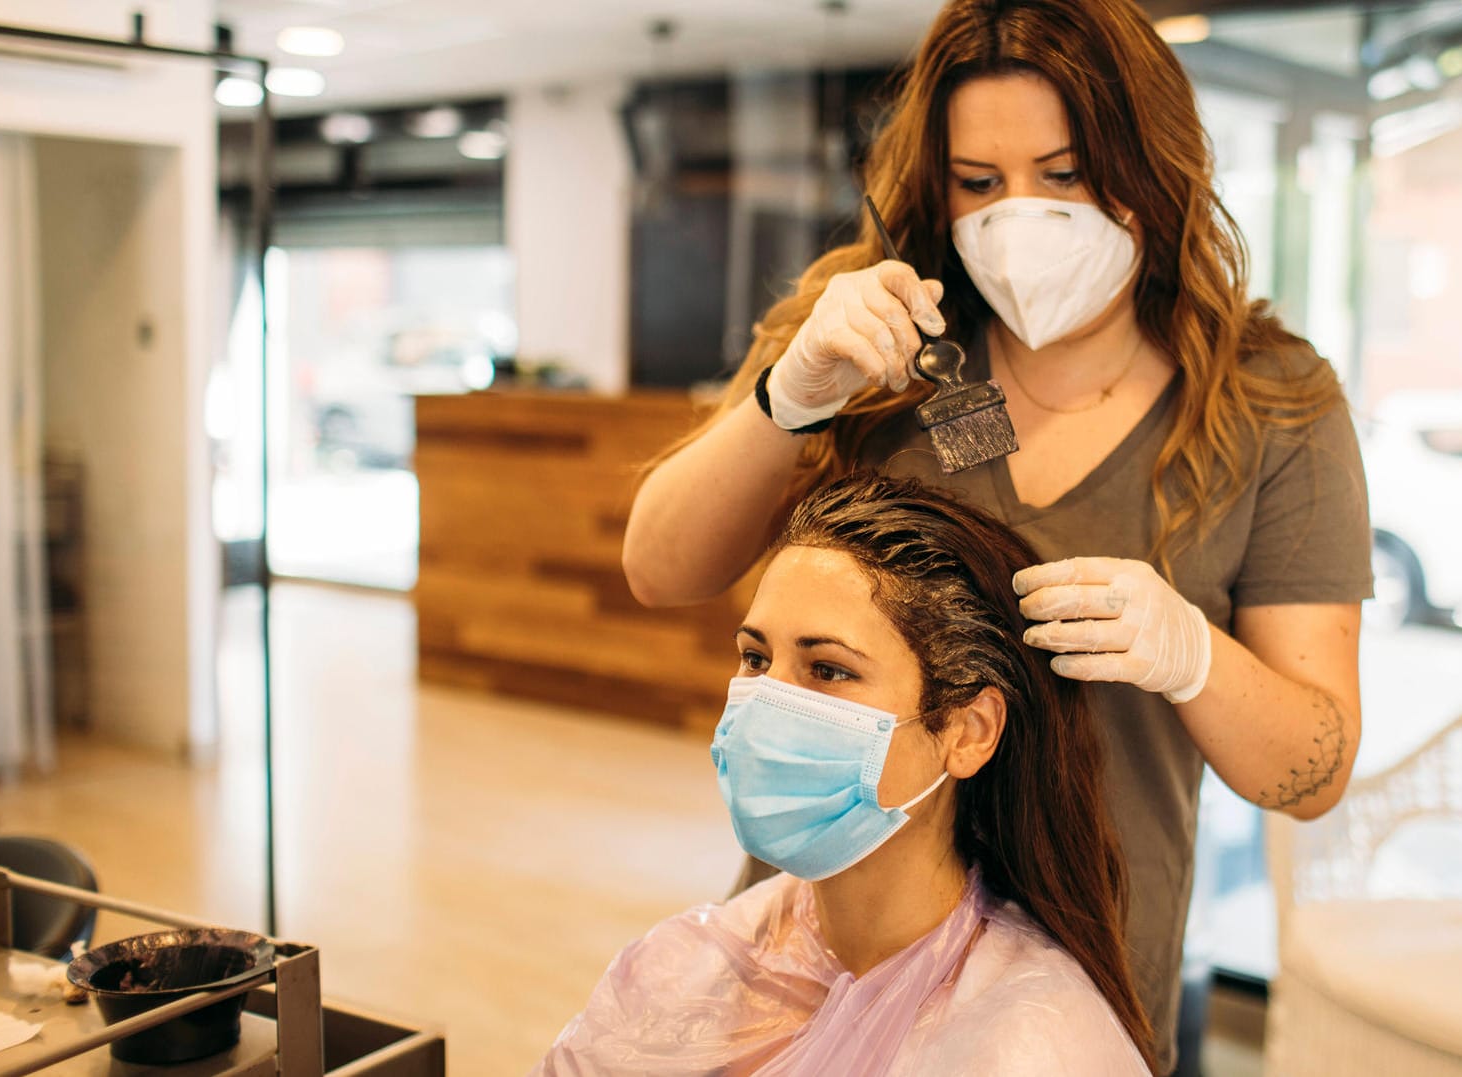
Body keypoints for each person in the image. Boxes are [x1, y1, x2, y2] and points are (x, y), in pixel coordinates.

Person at [621, 1, 1372, 1070]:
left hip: (1072, 994)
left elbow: (1316, 768)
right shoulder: (871, 339)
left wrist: (1195, 660)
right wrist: (793, 395)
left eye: (1064, 175)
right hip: (819, 968)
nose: (1020, 217)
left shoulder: (1270, 404)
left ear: (1153, 166)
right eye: (980, 183)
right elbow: (659, 567)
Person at [537, 472, 1153, 1075]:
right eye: (755, 658)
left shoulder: (1034, 1042)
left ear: (969, 731)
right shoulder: (691, 964)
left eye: (827, 670)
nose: (764, 705)